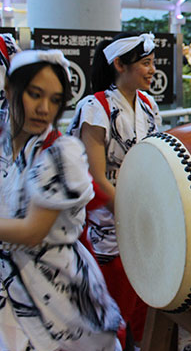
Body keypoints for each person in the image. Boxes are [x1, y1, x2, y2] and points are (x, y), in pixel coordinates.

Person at [0, 0, 122, 350]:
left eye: (54, 100)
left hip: (56, 287)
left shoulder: (61, 153)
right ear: (9, 91)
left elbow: (31, 232)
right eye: (34, 94)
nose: (44, 108)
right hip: (0, 279)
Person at [68, 32, 161, 345]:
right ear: (119, 64)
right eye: (145, 63)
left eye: (152, 63)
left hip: (142, 210)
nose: (152, 70)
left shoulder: (149, 105)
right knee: (114, 299)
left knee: (145, 295)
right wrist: (132, 212)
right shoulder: (95, 108)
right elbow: (96, 178)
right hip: (109, 219)